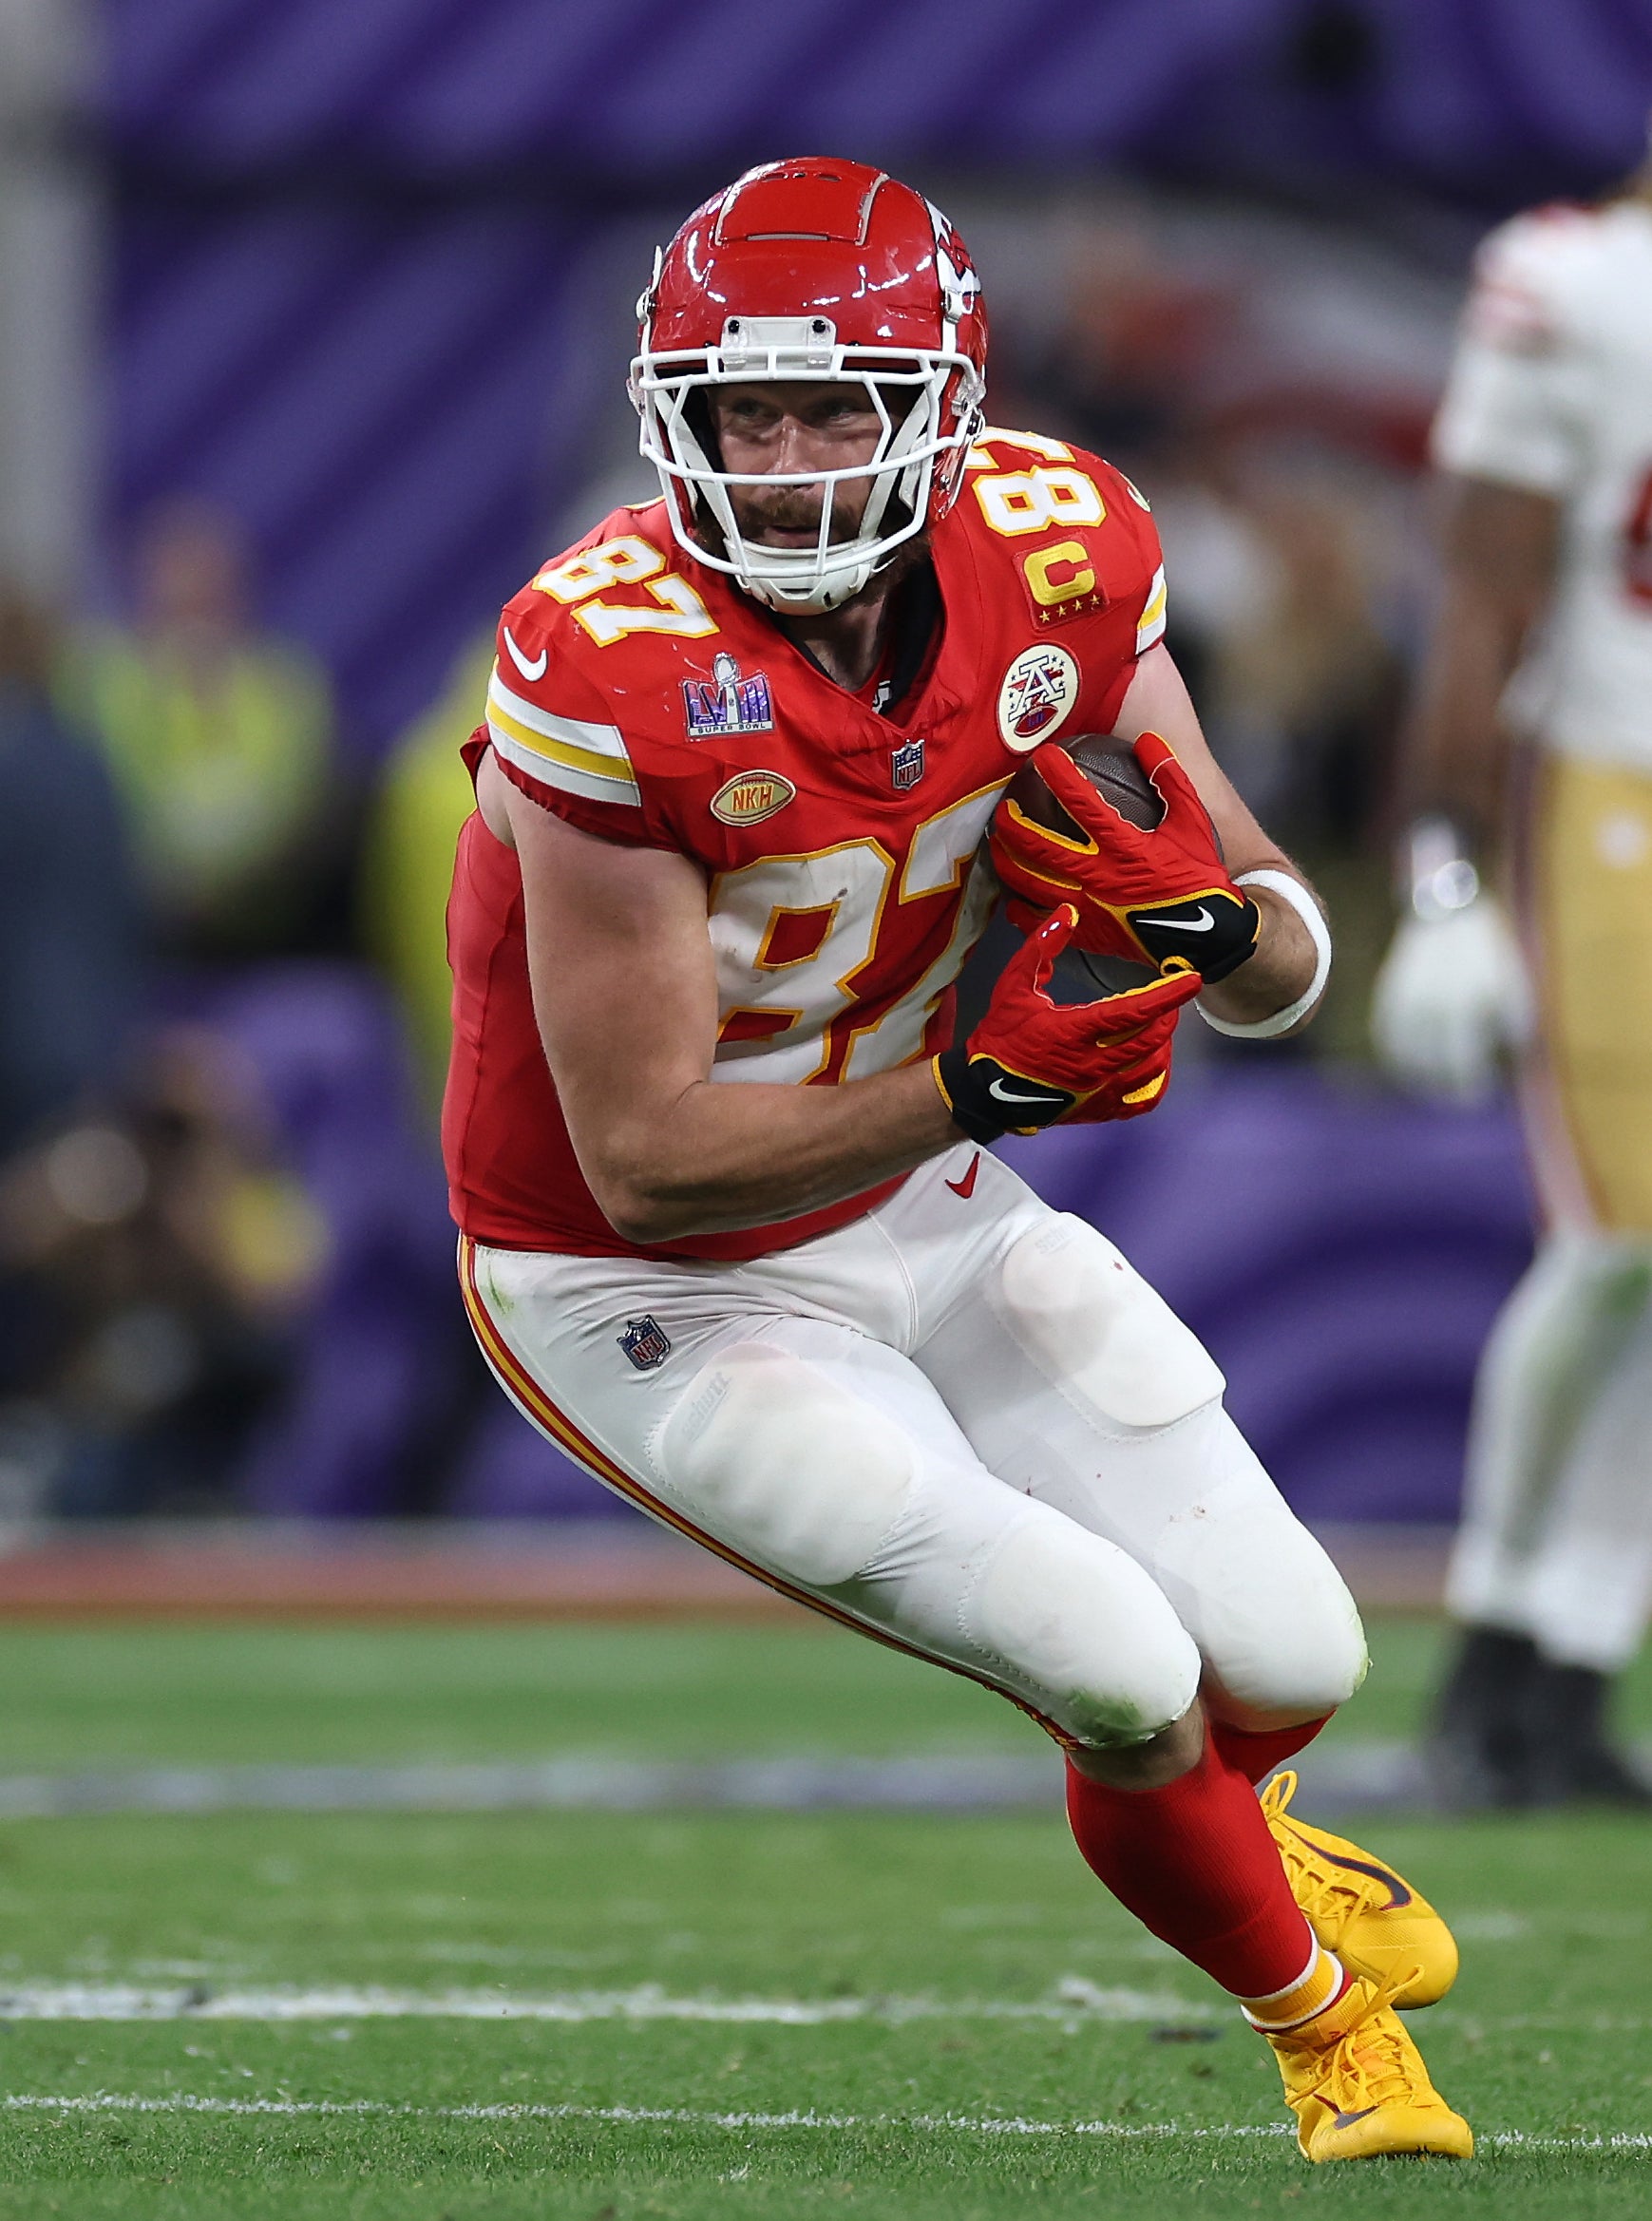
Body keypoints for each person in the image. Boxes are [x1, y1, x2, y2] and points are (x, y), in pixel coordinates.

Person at [444, 158, 1471, 2162]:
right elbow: (651, 1163)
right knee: (1108, 1656)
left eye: (845, 406)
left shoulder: (1062, 550)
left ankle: (1228, 1834)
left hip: (912, 1185)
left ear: (951, 403)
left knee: (1292, 1648)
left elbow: (1260, 939)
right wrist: (989, 1086)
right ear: (680, 420)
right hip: (635, 1281)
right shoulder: (604, 658)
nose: (800, 458)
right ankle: (1320, 2018)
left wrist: (1208, 928)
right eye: (753, 413)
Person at [1372, 158, 1652, 1807]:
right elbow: (1478, 600)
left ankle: (1567, 1657)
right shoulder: (1573, 279)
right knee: (1619, 1233)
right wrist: (1446, 880)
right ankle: (1498, 1635)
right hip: (1613, 786)